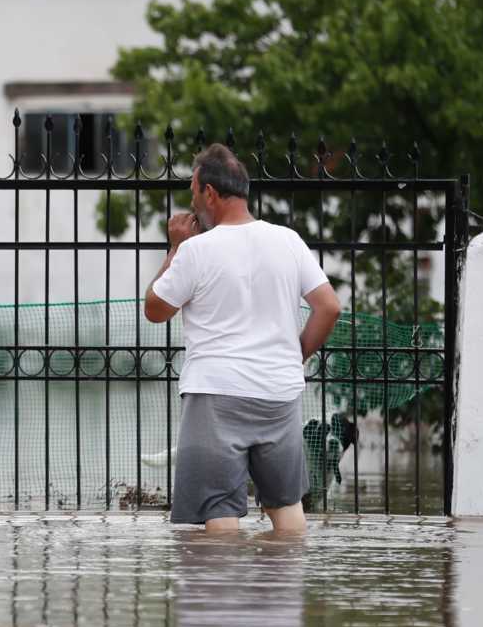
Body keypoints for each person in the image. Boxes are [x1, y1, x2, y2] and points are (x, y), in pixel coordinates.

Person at [144, 144, 341, 534]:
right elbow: (329, 307)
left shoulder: (195, 251)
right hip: (279, 393)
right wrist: (293, 355)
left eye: (193, 193)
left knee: (219, 515)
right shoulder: (288, 241)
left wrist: (175, 248)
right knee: (287, 511)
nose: (192, 202)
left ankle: (225, 592)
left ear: (210, 194)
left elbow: (155, 308)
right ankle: (284, 592)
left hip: (216, 394)